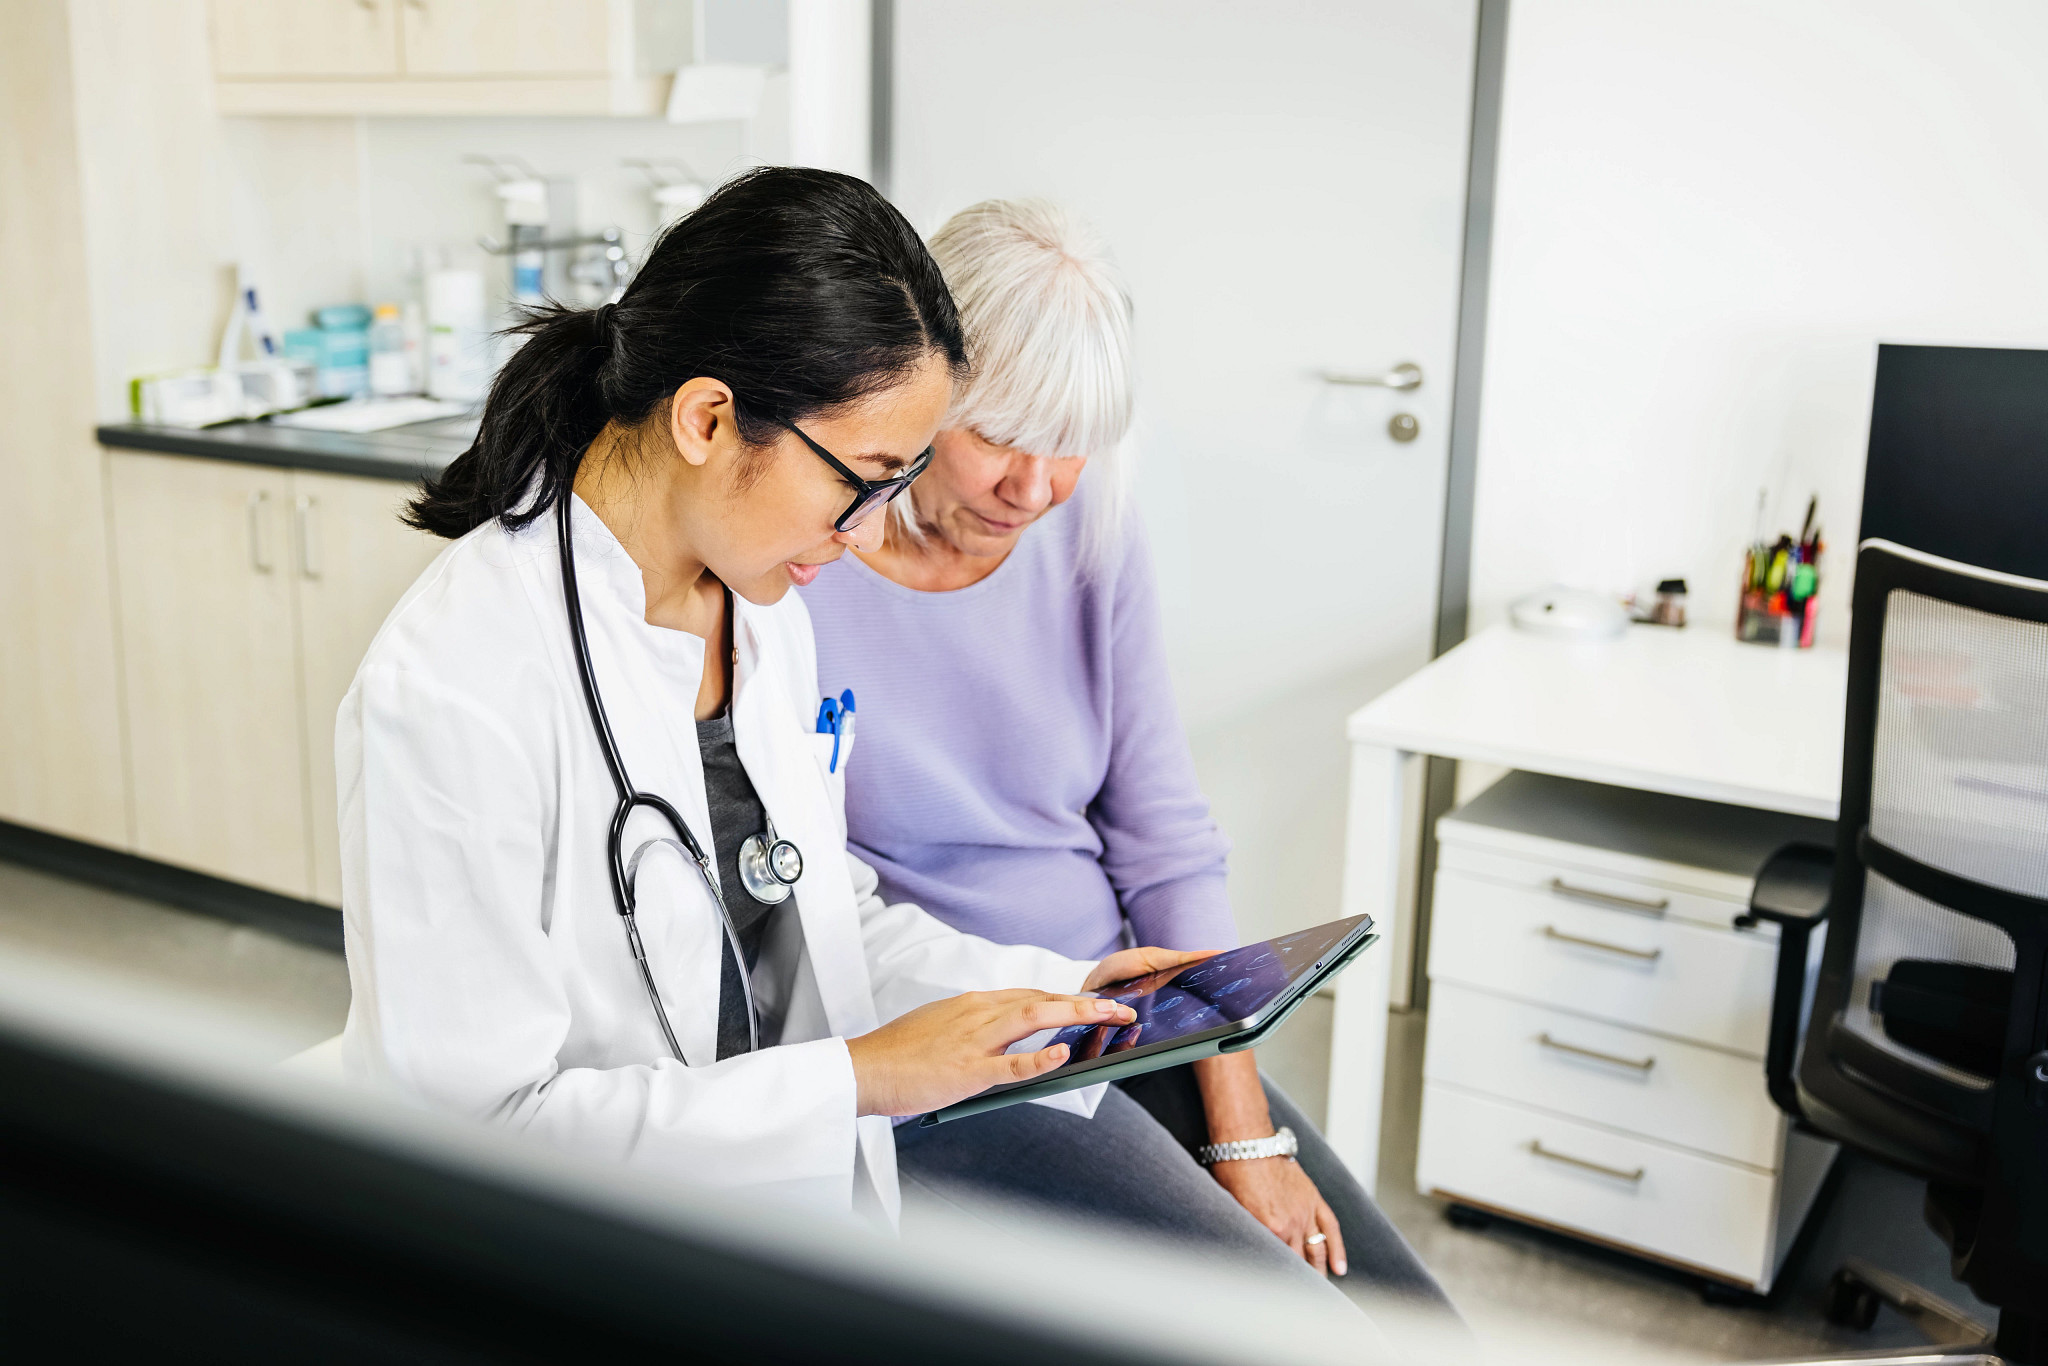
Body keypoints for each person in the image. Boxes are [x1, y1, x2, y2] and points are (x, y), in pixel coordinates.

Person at [335, 169, 1210, 1223]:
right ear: (707, 419)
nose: (870, 530)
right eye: (864, 476)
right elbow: (473, 1132)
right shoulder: (454, 683)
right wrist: (861, 1077)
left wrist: (1041, 987)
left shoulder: (757, 608)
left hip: (796, 1212)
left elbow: (814, 908)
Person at [802, 199, 1457, 1315]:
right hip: (951, 1038)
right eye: (1000, 436)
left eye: (1071, 444)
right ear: (912, 390)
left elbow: (1163, 839)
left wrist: (1241, 1128)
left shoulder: (1088, 519)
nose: (1036, 486)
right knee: (1286, 1322)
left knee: (1409, 1319)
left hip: (1119, 1003)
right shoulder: (803, 567)